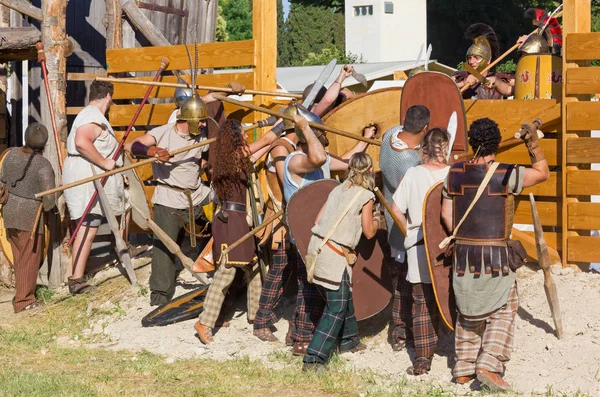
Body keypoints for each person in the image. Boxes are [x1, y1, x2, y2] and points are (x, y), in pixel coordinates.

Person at [441, 118, 549, 391]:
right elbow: (542, 173)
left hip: (463, 255)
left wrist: (467, 237)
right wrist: (533, 144)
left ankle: (463, 368)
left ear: (472, 142)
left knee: (468, 309)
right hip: (495, 258)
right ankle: (488, 364)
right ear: (496, 144)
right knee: (504, 307)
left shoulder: (454, 172)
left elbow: (445, 214)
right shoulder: (506, 173)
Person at [284, 106, 377, 355]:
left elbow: (348, 162)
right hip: (309, 238)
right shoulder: (295, 160)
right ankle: (306, 345)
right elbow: (318, 158)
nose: (323, 138)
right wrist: (305, 128)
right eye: (319, 133)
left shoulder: (331, 176)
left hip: (323, 239)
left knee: (339, 294)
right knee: (315, 295)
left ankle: (349, 340)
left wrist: (365, 139)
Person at [194, 119, 274, 344]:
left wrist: (278, 139)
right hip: (231, 221)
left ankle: (256, 316)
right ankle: (204, 322)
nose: (248, 136)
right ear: (236, 138)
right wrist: (281, 123)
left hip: (237, 220)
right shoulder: (234, 156)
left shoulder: (233, 160)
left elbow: (263, 149)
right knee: (227, 271)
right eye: (244, 134)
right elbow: (267, 140)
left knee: (254, 266)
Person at [302, 152, 381, 372]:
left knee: (343, 295)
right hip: (334, 253)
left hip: (318, 247)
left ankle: (349, 340)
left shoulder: (338, 189)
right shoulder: (366, 195)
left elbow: (318, 221)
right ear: (370, 171)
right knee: (336, 305)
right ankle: (314, 358)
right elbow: (368, 232)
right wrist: (376, 218)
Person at [391, 128, 451, 375]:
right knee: (448, 297)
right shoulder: (453, 174)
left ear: (424, 148)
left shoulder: (413, 173)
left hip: (418, 247)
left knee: (422, 302)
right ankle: (457, 351)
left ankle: (423, 360)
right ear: (445, 147)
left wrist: (410, 234)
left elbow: (396, 209)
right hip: (446, 247)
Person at [63, 80, 123, 294]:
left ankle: (77, 276)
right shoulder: (92, 117)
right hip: (85, 176)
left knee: (88, 225)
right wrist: (105, 163)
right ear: (108, 96)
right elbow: (82, 142)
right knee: (88, 226)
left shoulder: (90, 115)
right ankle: (76, 280)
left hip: (88, 174)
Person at [379, 104, 429, 351]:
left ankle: (401, 329)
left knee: (401, 277)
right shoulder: (411, 161)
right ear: (425, 128)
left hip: (391, 218)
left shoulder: (389, 134)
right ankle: (399, 331)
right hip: (404, 224)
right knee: (405, 282)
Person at [0, 123, 56, 312]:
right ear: (44, 144)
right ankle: (24, 301)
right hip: (29, 216)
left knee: (19, 257)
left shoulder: (10, 155)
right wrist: (58, 196)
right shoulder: (43, 165)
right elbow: (49, 202)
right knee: (29, 258)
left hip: (9, 211)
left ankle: (22, 295)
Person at [452, 24, 513, 99]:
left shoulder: (500, 78)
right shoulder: (460, 77)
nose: (471, 62)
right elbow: (443, 89)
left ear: (488, 60)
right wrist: (463, 83)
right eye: (469, 58)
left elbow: (522, 87)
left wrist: (496, 82)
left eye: (476, 58)